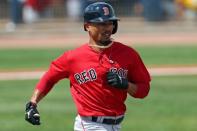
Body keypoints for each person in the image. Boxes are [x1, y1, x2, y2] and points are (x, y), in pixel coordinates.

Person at [25, 2, 151, 131]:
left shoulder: (128, 54)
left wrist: (126, 85)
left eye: (110, 23)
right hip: (90, 126)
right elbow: (49, 78)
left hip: (116, 126)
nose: (107, 28)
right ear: (87, 26)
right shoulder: (73, 58)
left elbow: (144, 89)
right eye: (101, 24)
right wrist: (32, 103)